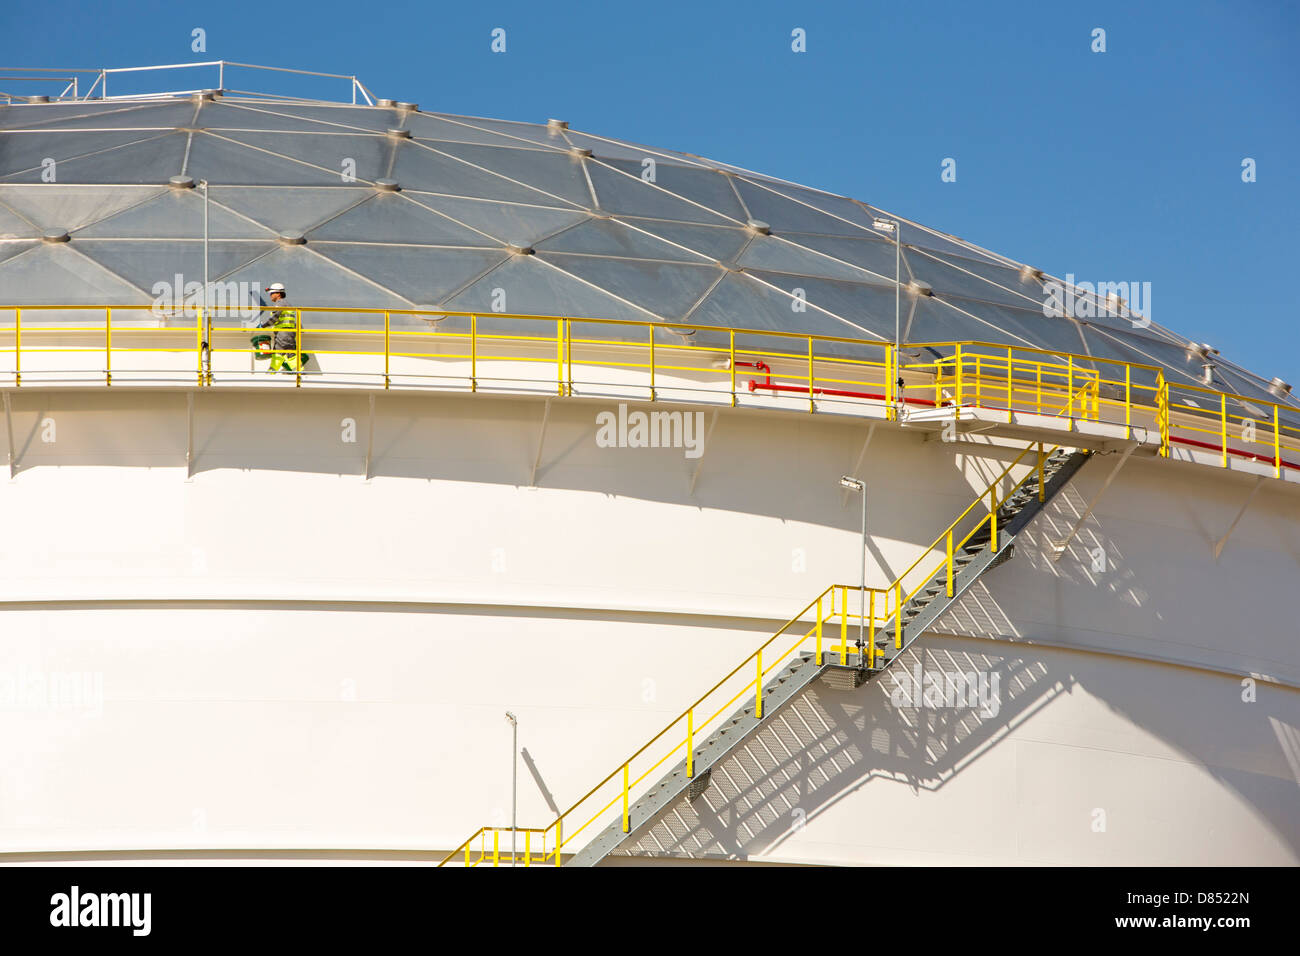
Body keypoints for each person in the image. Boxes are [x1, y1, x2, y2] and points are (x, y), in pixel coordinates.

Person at [254, 282, 310, 373]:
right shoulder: (284, 303)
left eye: (272, 293)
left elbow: (275, 318)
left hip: (284, 333)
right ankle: (271, 372)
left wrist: (262, 326)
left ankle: (300, 373)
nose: (270, 296)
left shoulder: (281, 303)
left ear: (278, 294)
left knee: (289, 353)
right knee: (277, 353)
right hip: (282, 333)